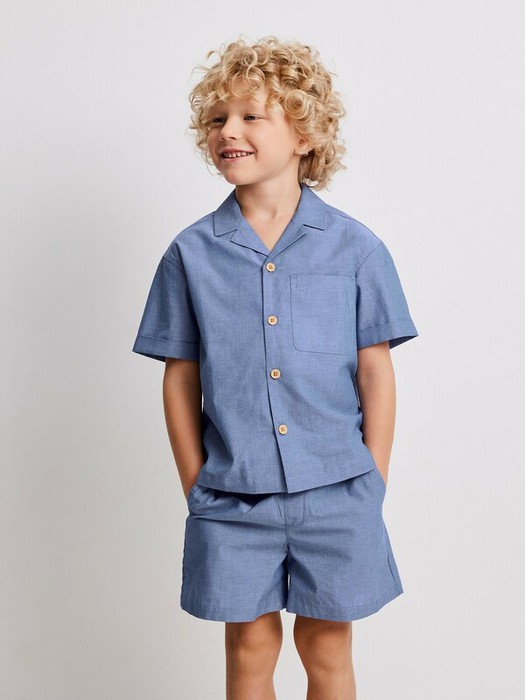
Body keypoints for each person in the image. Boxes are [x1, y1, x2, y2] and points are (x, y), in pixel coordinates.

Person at [132, 35, 419, 700]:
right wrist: (197, 485)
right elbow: (180, 377)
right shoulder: (190, 254)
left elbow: (375, 372)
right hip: (232, 496)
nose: (227, 131)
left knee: (327, 645)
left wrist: (372, 480)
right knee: (250, 646)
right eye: (217, 118)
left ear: (304, 133)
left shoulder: (356, 249)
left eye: (250, 116)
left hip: (338, 491)